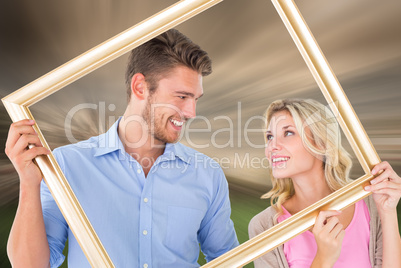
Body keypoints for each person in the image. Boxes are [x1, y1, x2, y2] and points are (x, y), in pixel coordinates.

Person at [5, 29, 239, 268]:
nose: (191, 112)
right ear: (140, 87)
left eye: (195, 99)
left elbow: (230, 261)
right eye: (181, 97)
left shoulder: (208, 174)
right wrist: (28, 183)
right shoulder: (67, 165)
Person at [249, 99, 401, 268]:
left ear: (321, 143)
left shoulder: (369, 202)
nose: (272, 146)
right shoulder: (264, 226)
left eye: (288, 133)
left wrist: (388, 211)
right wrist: (323, 259)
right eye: (270, 137)